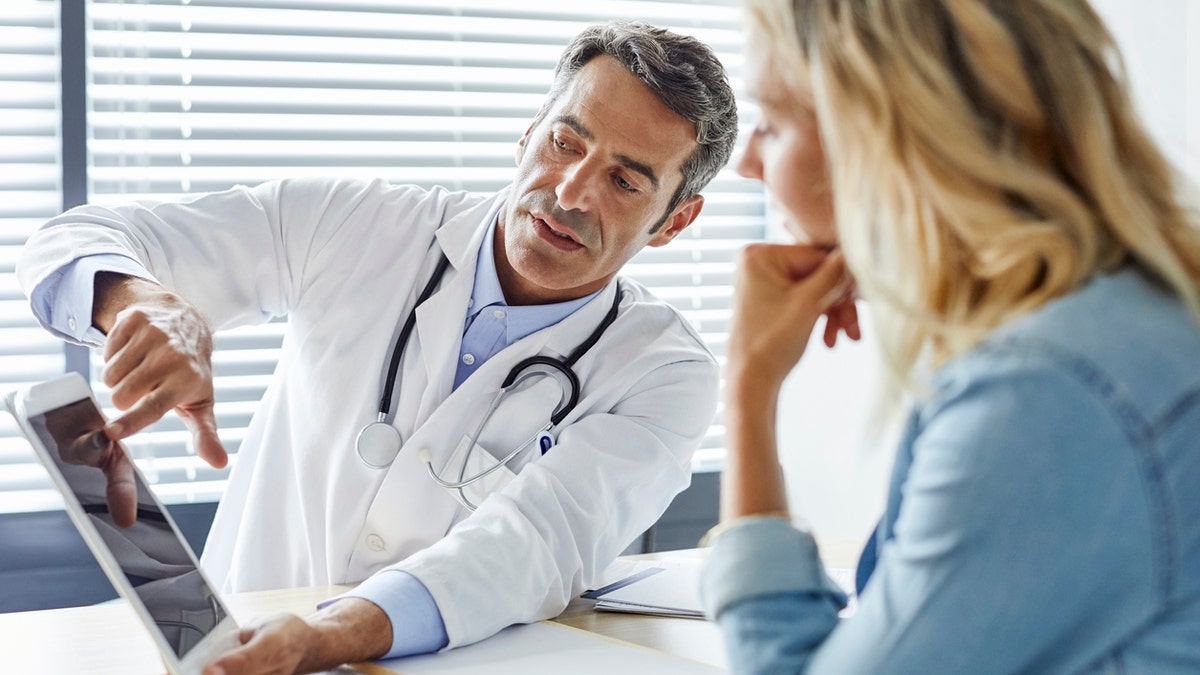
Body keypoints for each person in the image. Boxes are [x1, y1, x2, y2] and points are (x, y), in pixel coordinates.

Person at [18, 20, 738, 674]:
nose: (573, 191)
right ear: (528, 134)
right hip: (227, 654)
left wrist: (332, 635)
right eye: (565, 142)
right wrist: (146, 304)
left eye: (623, 180)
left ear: (675, 220)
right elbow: (72, 239)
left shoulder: (664, 373)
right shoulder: (354, 224)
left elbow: (538, 541)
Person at [701, 0, 1200, 673]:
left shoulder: (1046, 395)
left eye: (771, 122)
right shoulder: (1123, 325)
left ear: (891, 138)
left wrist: (748, 388)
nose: (748, 166)